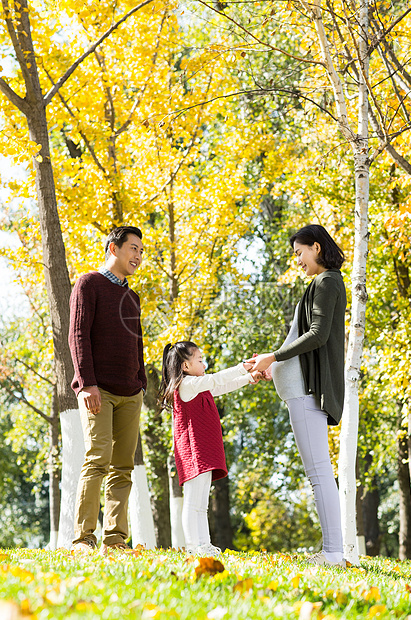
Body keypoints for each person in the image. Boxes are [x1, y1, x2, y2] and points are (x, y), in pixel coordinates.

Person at [248, 224, 347, 567]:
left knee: (319, 472)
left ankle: (334, 552)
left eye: (299, 252)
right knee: (319, 472)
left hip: (308, 392)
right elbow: (303, 342)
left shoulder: (327, 281)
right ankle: (332, 549)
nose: (298, 260)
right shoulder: (321, 283)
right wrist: (270, 365)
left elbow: (318, 335)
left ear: (316, 247)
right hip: (302, 389)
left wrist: (274, 358)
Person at [69, 225, 146, 555]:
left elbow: (137, 343)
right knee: (97, 459)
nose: (138, 256)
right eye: (133, 248)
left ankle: (115, 540)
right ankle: (84, 537)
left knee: (123, 467)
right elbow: (78, 334)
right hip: (98, 390)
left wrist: (141, 381)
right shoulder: (89, 283)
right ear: (113, 249)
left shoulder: (133, 296)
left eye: (142, 251)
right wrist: (86, 383)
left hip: (131, 392)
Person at [160, 342, 261, 557]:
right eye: (199, 360)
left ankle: (204, 545)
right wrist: (244, 366)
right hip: (193, 451)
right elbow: (216, 379)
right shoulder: (187, 385)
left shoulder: (199, 385)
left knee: (201, 503)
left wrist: (250, 377)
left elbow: (222, 386)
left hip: (204, 449)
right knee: (193, 500)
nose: (204, 363)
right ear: (185, 366)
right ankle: (193, 546)